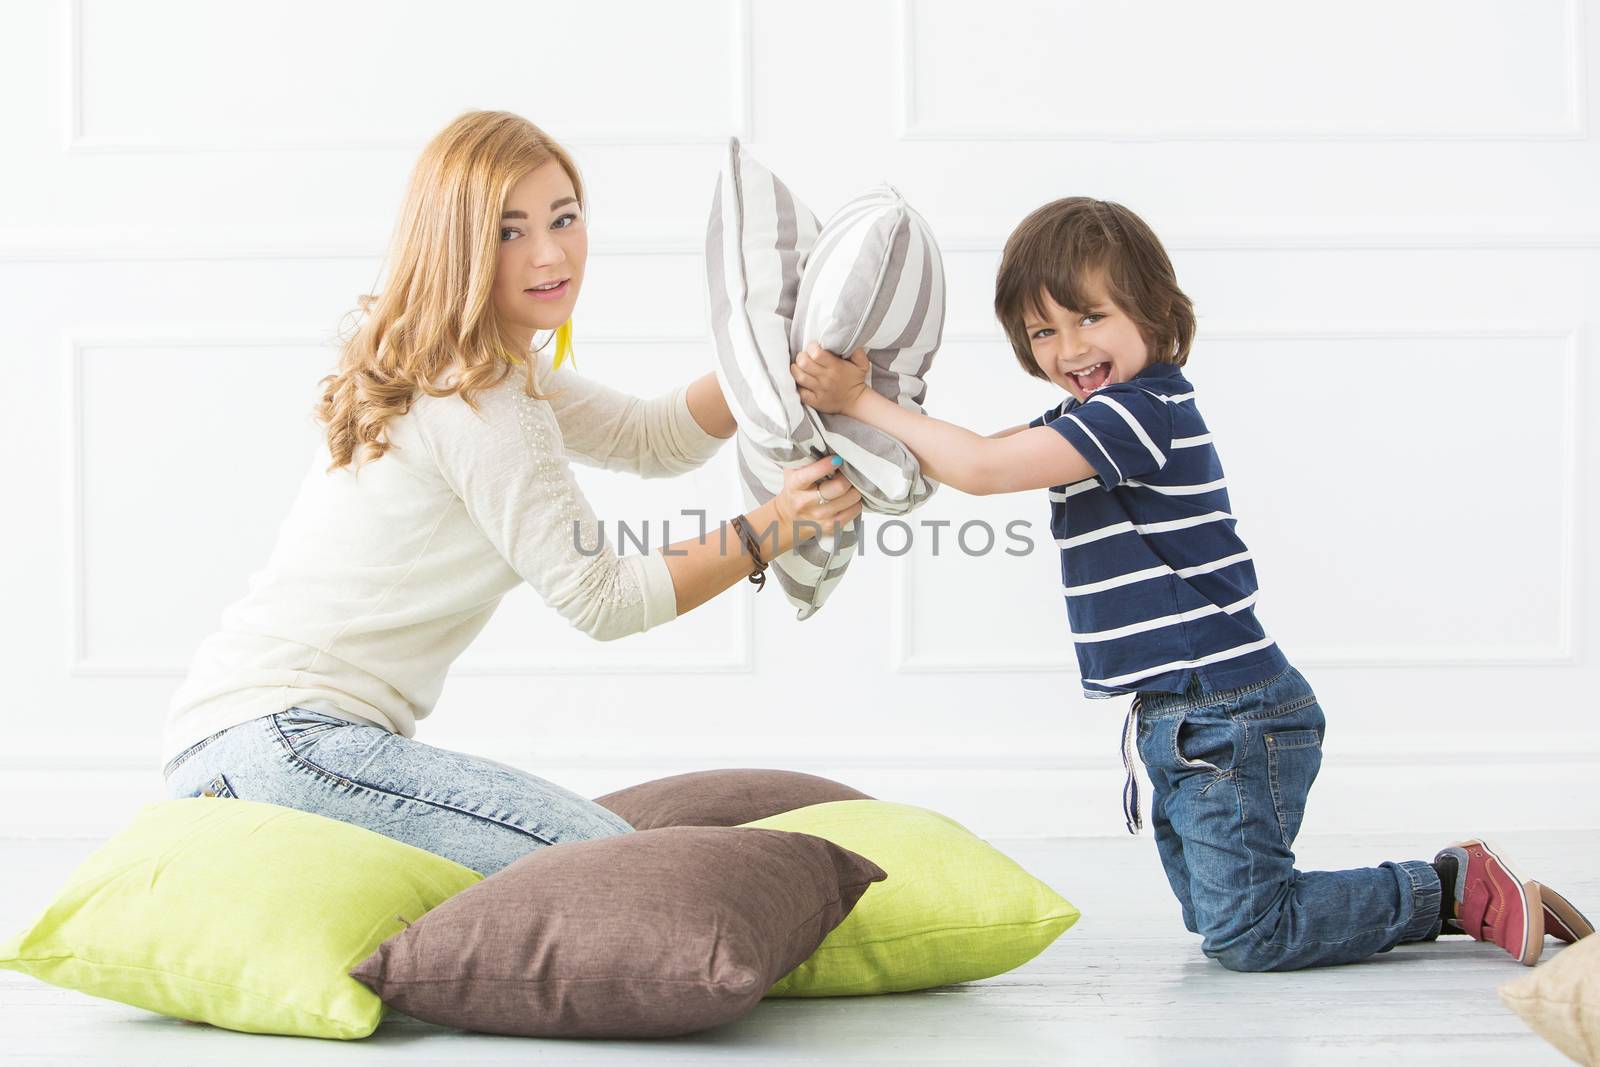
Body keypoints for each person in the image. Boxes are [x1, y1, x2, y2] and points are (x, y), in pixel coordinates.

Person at [790, 196, 1591, 970]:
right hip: (1179, 714)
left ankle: (1447, 888)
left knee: (1251, 933)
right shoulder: (1086, 421)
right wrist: (869, 430)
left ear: (1153, 312)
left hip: (1229, 711)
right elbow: (966, 456)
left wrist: (859, 397)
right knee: (1218, 916)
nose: (1068, 347)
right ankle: (1438, 888)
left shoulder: (1140, 413)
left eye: (1090, 317)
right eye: (1044, 329)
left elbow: (984, 467)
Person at [161, 111, 862, 876]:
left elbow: (649, 436)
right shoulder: (483, 400)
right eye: (509, 231)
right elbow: (604, 597)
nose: (551, 252)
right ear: (457, 244)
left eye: (564, 218)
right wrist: (775, 525)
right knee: (628, 873)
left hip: (237, 743)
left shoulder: (462, 364)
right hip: (288, 746)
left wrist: (766, 364)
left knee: (618, 864)